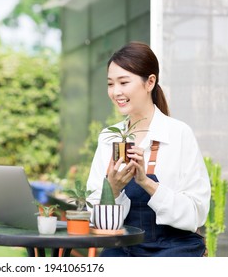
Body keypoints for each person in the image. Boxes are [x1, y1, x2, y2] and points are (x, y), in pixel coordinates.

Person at [86, 42, 211, 257]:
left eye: (124, 82)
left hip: (176, 249)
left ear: (150, 82)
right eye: (110, 84)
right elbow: (96, 219)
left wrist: (146, 183)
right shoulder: (109, 138)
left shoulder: (179, 134)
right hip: (124, 249)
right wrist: (112, 191)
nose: (116, 92)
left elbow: (195, 213)